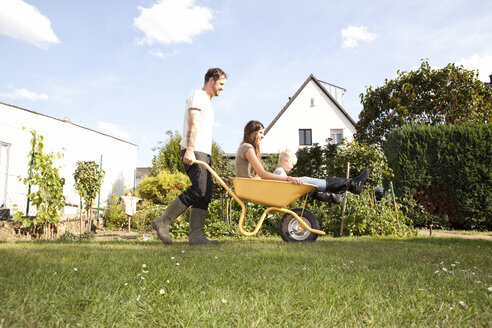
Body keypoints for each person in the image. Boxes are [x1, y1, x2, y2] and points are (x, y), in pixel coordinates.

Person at [152, 68, 227, 245]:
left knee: (205, 193)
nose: (223, 88)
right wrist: (190, 149)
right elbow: (192, 121)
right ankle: (163, 221)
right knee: (199, 189)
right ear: (211, 80)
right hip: (195, 150)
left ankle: (196, 236)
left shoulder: (208, 102)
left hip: (203, 152)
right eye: (221, 84)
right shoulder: (198, 95)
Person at [236, 120, 369, 197]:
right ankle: (349, 184)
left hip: (256, 187)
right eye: (260, 133)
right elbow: (262, 174)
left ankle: (334, 194)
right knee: (303, 181)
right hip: (254, 189)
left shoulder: (247, 147)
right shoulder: (247, 147)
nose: (263, 136)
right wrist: (289, 178)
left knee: (303, 184)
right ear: (252, 132)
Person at [274, 149, 342, 204]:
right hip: (284, 192)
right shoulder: (279, 171)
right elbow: (283, 184)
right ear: (286, 161)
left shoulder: (278, 171)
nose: (292, 167)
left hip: (284, 192)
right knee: (306, 180)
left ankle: (332, 197)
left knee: (308, 189)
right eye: (292, 164)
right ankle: (332, 185)